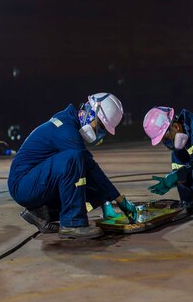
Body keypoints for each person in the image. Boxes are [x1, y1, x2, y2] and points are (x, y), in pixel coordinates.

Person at [8, 93, 138, 239]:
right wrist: (120, 200)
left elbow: (92, 173)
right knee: (74, 158)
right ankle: (72, 224)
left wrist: (109, 200)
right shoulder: (65, 128)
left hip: (35, 181)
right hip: (23, 185)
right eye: (100, 126)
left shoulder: (70, 123)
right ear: (90, 112)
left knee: (95, 188)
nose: (100, 133)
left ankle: (42, 213)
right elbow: (90, 167)